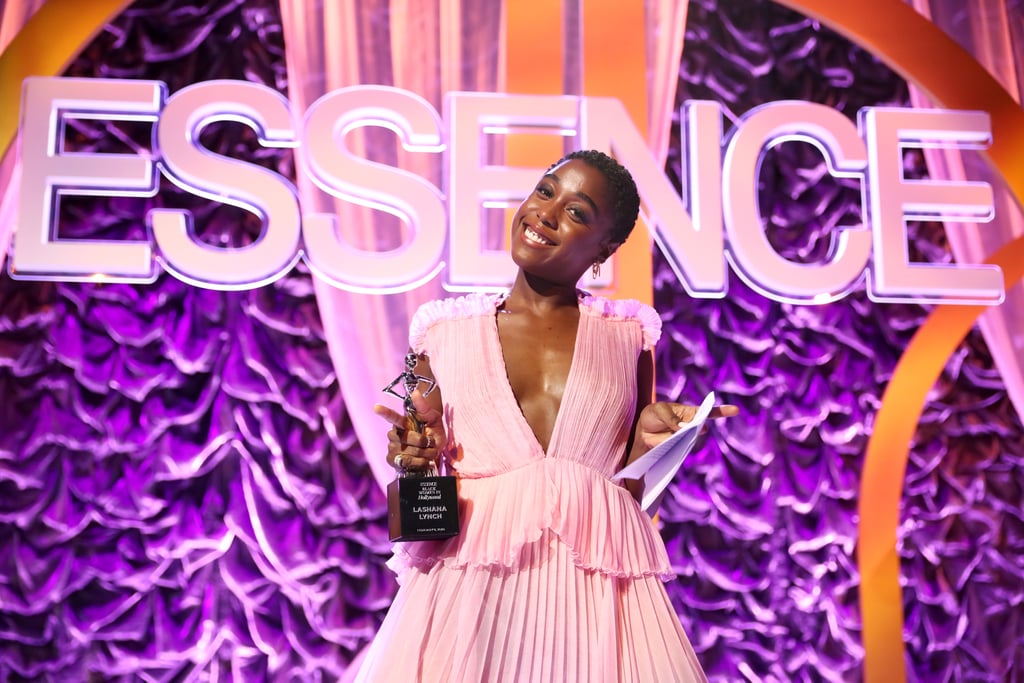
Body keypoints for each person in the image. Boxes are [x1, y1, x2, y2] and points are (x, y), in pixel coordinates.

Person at [354, 149, 737, 682]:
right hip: (472, 610)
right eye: (545, 191)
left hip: (597, 612)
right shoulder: (438, 336)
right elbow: (420, 524)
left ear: (605, 248)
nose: (546, 214)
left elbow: (623, 502)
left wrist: (650, 447)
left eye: (577, 212)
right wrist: (415, 464)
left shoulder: (629, 340)